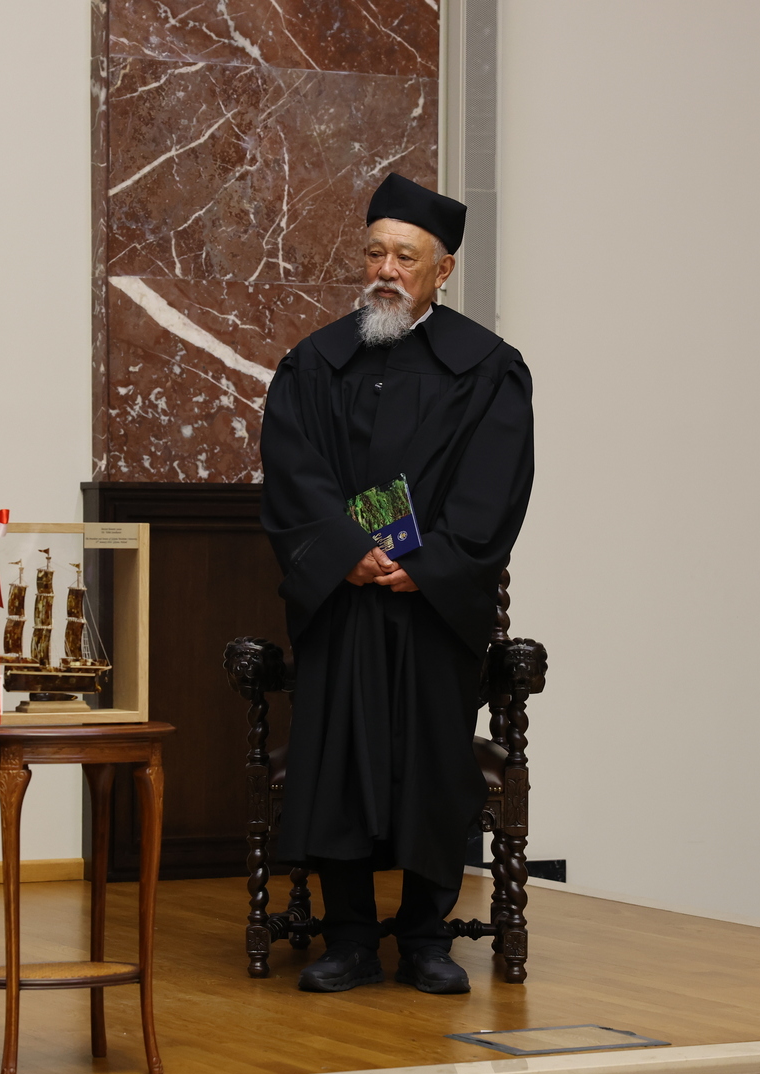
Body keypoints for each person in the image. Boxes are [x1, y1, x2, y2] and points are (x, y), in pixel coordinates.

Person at [259, 173, 535, 995]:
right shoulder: (316, 364)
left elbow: (495, 486)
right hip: (344, 604)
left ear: (442, 270)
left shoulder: (487, 370)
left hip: (430, 614)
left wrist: (433, 562)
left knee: (432, 767)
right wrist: (347, 551)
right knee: (338, 764)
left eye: (405, 257)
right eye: (375, 252)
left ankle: (424, 937)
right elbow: (293, 473)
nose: (386, 269)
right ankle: (347, 938)